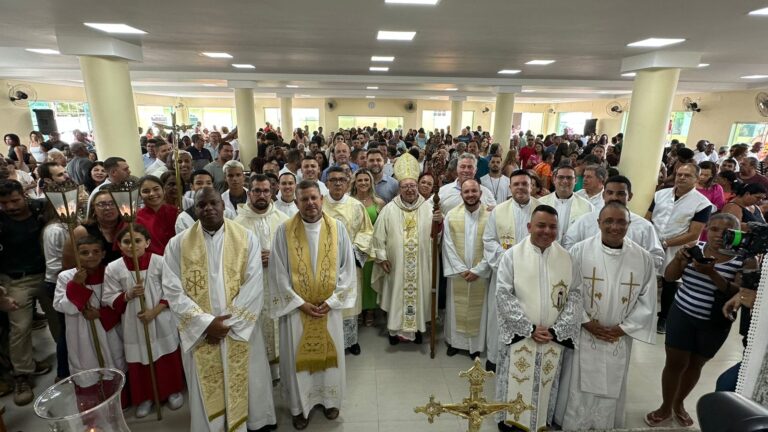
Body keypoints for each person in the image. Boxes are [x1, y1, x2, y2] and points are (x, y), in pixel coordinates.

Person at [164, 187, 277, 431]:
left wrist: (227, 324)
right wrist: (205, 324)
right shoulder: (178, 244)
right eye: (201, 205)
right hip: (202, 332)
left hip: (238, 329)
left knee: (250, 376)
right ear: (195, 210)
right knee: (207, 384)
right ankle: (213, 425)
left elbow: (254, 283)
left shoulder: (245, 238)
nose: (208, 208)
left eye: (213, 203)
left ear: (223, 205)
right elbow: (172, 289)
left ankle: (255, 421)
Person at [559, 202, 657, 430]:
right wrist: (584, 321)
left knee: (612, 379)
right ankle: (575, 422)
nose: (615, 227)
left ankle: (603, 421)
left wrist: (624, 328)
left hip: (619, 335)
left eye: (621, 221)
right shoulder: (579, 251)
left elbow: (647, 299)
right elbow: (567, 291)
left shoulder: (642, 258)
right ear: (598, 223)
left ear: (629, 224)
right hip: (585, 331)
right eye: (609, 221)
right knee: (578, 379)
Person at [644, 214, 747, 428]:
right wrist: (680, 260)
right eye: (714, 229)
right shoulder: (695, 248)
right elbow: (670, 277)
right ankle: (665, 406)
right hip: (682, 313)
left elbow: (740, 294)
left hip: (715, 323)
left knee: (695, 365)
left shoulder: (743, 258)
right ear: (706, 229)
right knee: (674, 364)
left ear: (736, 235)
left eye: (726, 231)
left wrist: (712, 274)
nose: (718, 235)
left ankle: (679, 403)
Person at [268, 180, 356, 430]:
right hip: (297, 311)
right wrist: (299, 303)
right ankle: (300, 408)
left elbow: (347, 270)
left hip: (329, 311)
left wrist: (331, 301)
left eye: (314, 198)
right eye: (304, 199)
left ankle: (330, 401)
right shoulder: (283, 231)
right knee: (297, 360)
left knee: (331, 358)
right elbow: (278, 274)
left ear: (322, 199)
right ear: (295, 202)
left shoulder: (338, 229)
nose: (310, 203)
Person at [494, 205, 581, 432]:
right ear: (529, 226)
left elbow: (575, 295)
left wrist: (557, 330)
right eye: (541, 225)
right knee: (515, 381)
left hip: (552, 338)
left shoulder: (567, 258)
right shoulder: (512, 255)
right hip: (521, 336)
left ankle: (540, 421)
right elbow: (503, 294)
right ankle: (510, 424)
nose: (546, 231)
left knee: (545, 383)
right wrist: (528, 327)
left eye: (553, 226)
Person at [103, 224, 184, 417]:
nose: (132, 245)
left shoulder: (160, 261)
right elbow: (108, 297)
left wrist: (155, 311)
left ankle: (172, 391)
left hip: (160, 318)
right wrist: (128, 294)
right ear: (119, 245)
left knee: (166, 355)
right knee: (141, 359)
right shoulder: (114, 268)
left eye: (137, 240)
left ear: (147, 242)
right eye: (126, 241)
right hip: (134, 322)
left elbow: (172, 289)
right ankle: (146, 397)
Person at [371, 153, 438, 345]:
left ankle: (417, 331)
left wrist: (438, 224)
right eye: (405, 186)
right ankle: (394, 331)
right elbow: (378, 236)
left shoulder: (428, 208)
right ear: (399, 188)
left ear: (418, 187)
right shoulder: (389, 209)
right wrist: (382, 258)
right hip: (396, 265)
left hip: (420, 265)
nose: (409, 189)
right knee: (396, 295)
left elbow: (436, 237)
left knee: (419, 295)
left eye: (412, 186)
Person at [482, 170, 540, 371]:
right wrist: (509, 262)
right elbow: (489, 240)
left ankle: (522, 360)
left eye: (525, 184)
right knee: (499, 316)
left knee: (527, 315)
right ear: (510, 188)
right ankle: (495, 359)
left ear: (531, 186)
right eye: (516, 184)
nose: (521, 188)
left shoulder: (541, 209)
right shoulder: (498, 211)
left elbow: (550, 239)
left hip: (532, 277)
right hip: (503, 275)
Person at [0, 180, 52, 406]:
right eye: (4, 203)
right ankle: (22, 373)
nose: (10, 206)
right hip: (16, 280)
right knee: (20, 328)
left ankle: (69, 363)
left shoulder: (40, 209)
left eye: (14, 200)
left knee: (60, 322)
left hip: (47, 275)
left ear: (24, 194)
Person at [233, 174, 289, 380]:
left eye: (266, 191)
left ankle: (282, 368)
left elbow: (294, 251)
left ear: (273, 192)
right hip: (252, 287)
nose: (262, 195)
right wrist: (253, 260)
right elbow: (231, 258)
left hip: (278, 283)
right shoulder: (237, 223)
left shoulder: (283, 220)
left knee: (279, 325)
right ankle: (261, 372)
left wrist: (275, 256)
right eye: (257, 191)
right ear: (250, 192)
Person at [647, 163, 713, 334]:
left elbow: (693, 233)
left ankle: (664, 319)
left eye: (687, 175)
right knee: (646, 279)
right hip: (653, 242)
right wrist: (649, 238)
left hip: (677, 248)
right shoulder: (660, 194)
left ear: (697, 179)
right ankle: (643, 314)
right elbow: (648, 218)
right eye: (679, 174)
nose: (681, 178)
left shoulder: (702, 203)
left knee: (670, 284)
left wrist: (667, 243)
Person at [53, 235, 126, 388]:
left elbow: (121, 304)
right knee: (89, 370)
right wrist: (77, 285)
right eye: (84, 253)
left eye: (95, 251)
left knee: (114, 366)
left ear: (103, 254)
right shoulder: (65, 277)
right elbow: (61, 306)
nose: (91, 256)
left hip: (109, 331)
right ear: (76, 255)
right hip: (81, 333)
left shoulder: (111, 273)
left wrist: (101, 314)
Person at [563, 176, 664, 272]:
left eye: (621, 194)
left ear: (630, 196)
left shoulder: (644, 227)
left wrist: (631, 265)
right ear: (603, 195)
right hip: (590, 276)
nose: (614, 197)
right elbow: (569, 246)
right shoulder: (586, 220)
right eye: (610, 193)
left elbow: (656, 257)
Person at [323, 167, 374, 356]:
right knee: (329, 302)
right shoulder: (319, 203)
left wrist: (354, 252)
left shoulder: (355, 205)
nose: (337, 183)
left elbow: (367, 231)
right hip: (325, 264)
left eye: (341, 180)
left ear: (347, 183)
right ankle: (332, 341)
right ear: (327, 183)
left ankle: (351, 341)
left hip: (350, 263)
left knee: (349, 303)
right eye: (333, 180)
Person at [442, 179, 491, 359]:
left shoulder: (491, 215)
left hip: (481, 274)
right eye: (466, 192)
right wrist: (461, 269)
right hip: (458, 274)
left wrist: (479, 270)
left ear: (480, 193)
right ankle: (455, 343)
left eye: (474, 191)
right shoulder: (452, 215)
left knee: (479, 309)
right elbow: (447, 245)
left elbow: (492, 246)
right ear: (461, 194)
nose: (470, 195)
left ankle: (475, 346)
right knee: (456, 308)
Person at [350, 169, 385, 327]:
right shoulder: (349, 201)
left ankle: (370, 310)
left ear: (371, 183)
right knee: (356, 280)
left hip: (371, 248)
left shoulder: (379, 202)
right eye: (360, 180)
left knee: (369, 279)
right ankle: (356, 310)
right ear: (355, 183)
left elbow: (384, 227)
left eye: (366, 180)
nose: (363, 183)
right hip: (354, 248)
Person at [539, 164, 594, 242]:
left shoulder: (587, 207)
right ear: (554, 180)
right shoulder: (540, 203)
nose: (565, 181)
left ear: (576, 180)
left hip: (574, 251)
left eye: (569, 178)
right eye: (561, 177)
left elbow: (590, 236)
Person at [136, 175, 179, 255]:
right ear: (140, 195)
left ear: (163, 190)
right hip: (151, 263)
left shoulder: (176, 213)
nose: (152, 194)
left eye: (156, 189)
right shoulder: (136, 218)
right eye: (146, 191)